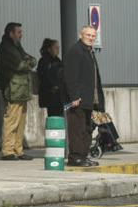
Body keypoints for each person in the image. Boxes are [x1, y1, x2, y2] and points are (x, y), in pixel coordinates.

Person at [63, 26, 105, 167]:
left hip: (90, 99)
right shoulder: (76, 51)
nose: (91, 37)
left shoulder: (89, 52)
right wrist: (74, 96)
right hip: (78, 100)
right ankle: (75, 158)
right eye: (88, 35)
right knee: (77, 129)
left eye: (93, 36)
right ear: (81, 35)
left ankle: (83, 156)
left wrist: (98, 100)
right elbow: (70, 76)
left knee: (87, 129)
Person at [0, 22, 36, 161]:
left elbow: (31, 59)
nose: (21, 34)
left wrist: (29, 61)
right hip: (12, 89)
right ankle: (7, 150)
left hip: (21, 90)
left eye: (21, 32)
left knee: (21, 122)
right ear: (10, 33)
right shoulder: (6, 48)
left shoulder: (17, 46)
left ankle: (18, 150)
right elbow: (21, 65)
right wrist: (28, 62)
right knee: (11, 120)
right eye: (18, 32)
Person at [37, 38, 64, 117]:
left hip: (59, 96)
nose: (58, 50)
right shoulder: (44, 61)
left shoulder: (58, 60)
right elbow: (43, 77)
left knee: (59, 116)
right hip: (50, 95)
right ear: (49, 49)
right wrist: (52, 86)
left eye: (58, 47)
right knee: (53, 116)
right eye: (55, 48)